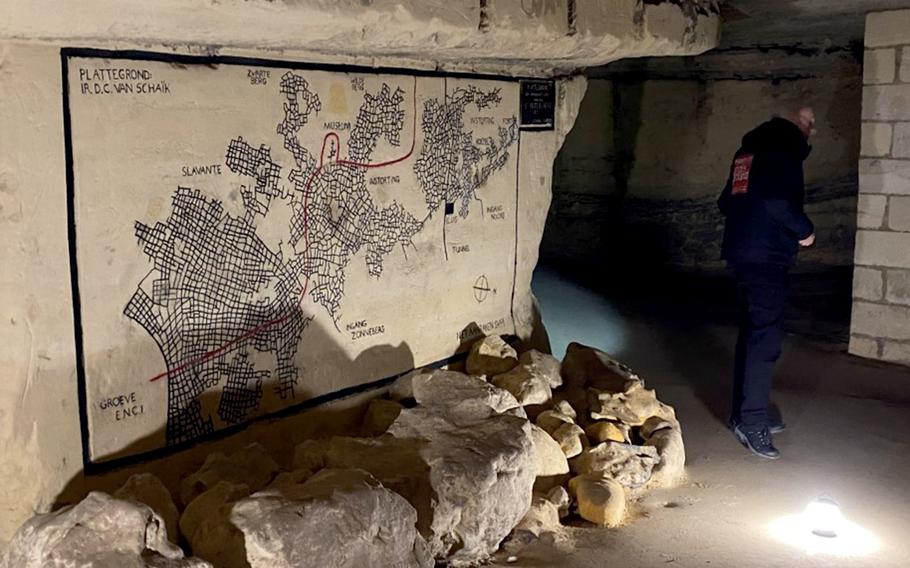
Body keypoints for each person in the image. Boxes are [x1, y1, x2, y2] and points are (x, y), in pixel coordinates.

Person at [716, 107, 816, 459]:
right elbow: (776, 200)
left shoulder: (749, 151)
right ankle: (753, 421)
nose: (812, 130)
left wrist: (750, 224)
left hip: (744, 252)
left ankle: (742, 414)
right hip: (766, 256)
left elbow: (727, 200)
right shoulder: (783, 148)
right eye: (809, 123)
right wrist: (804, 231)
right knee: (766, 339)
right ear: (796, 125)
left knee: (754, 332)